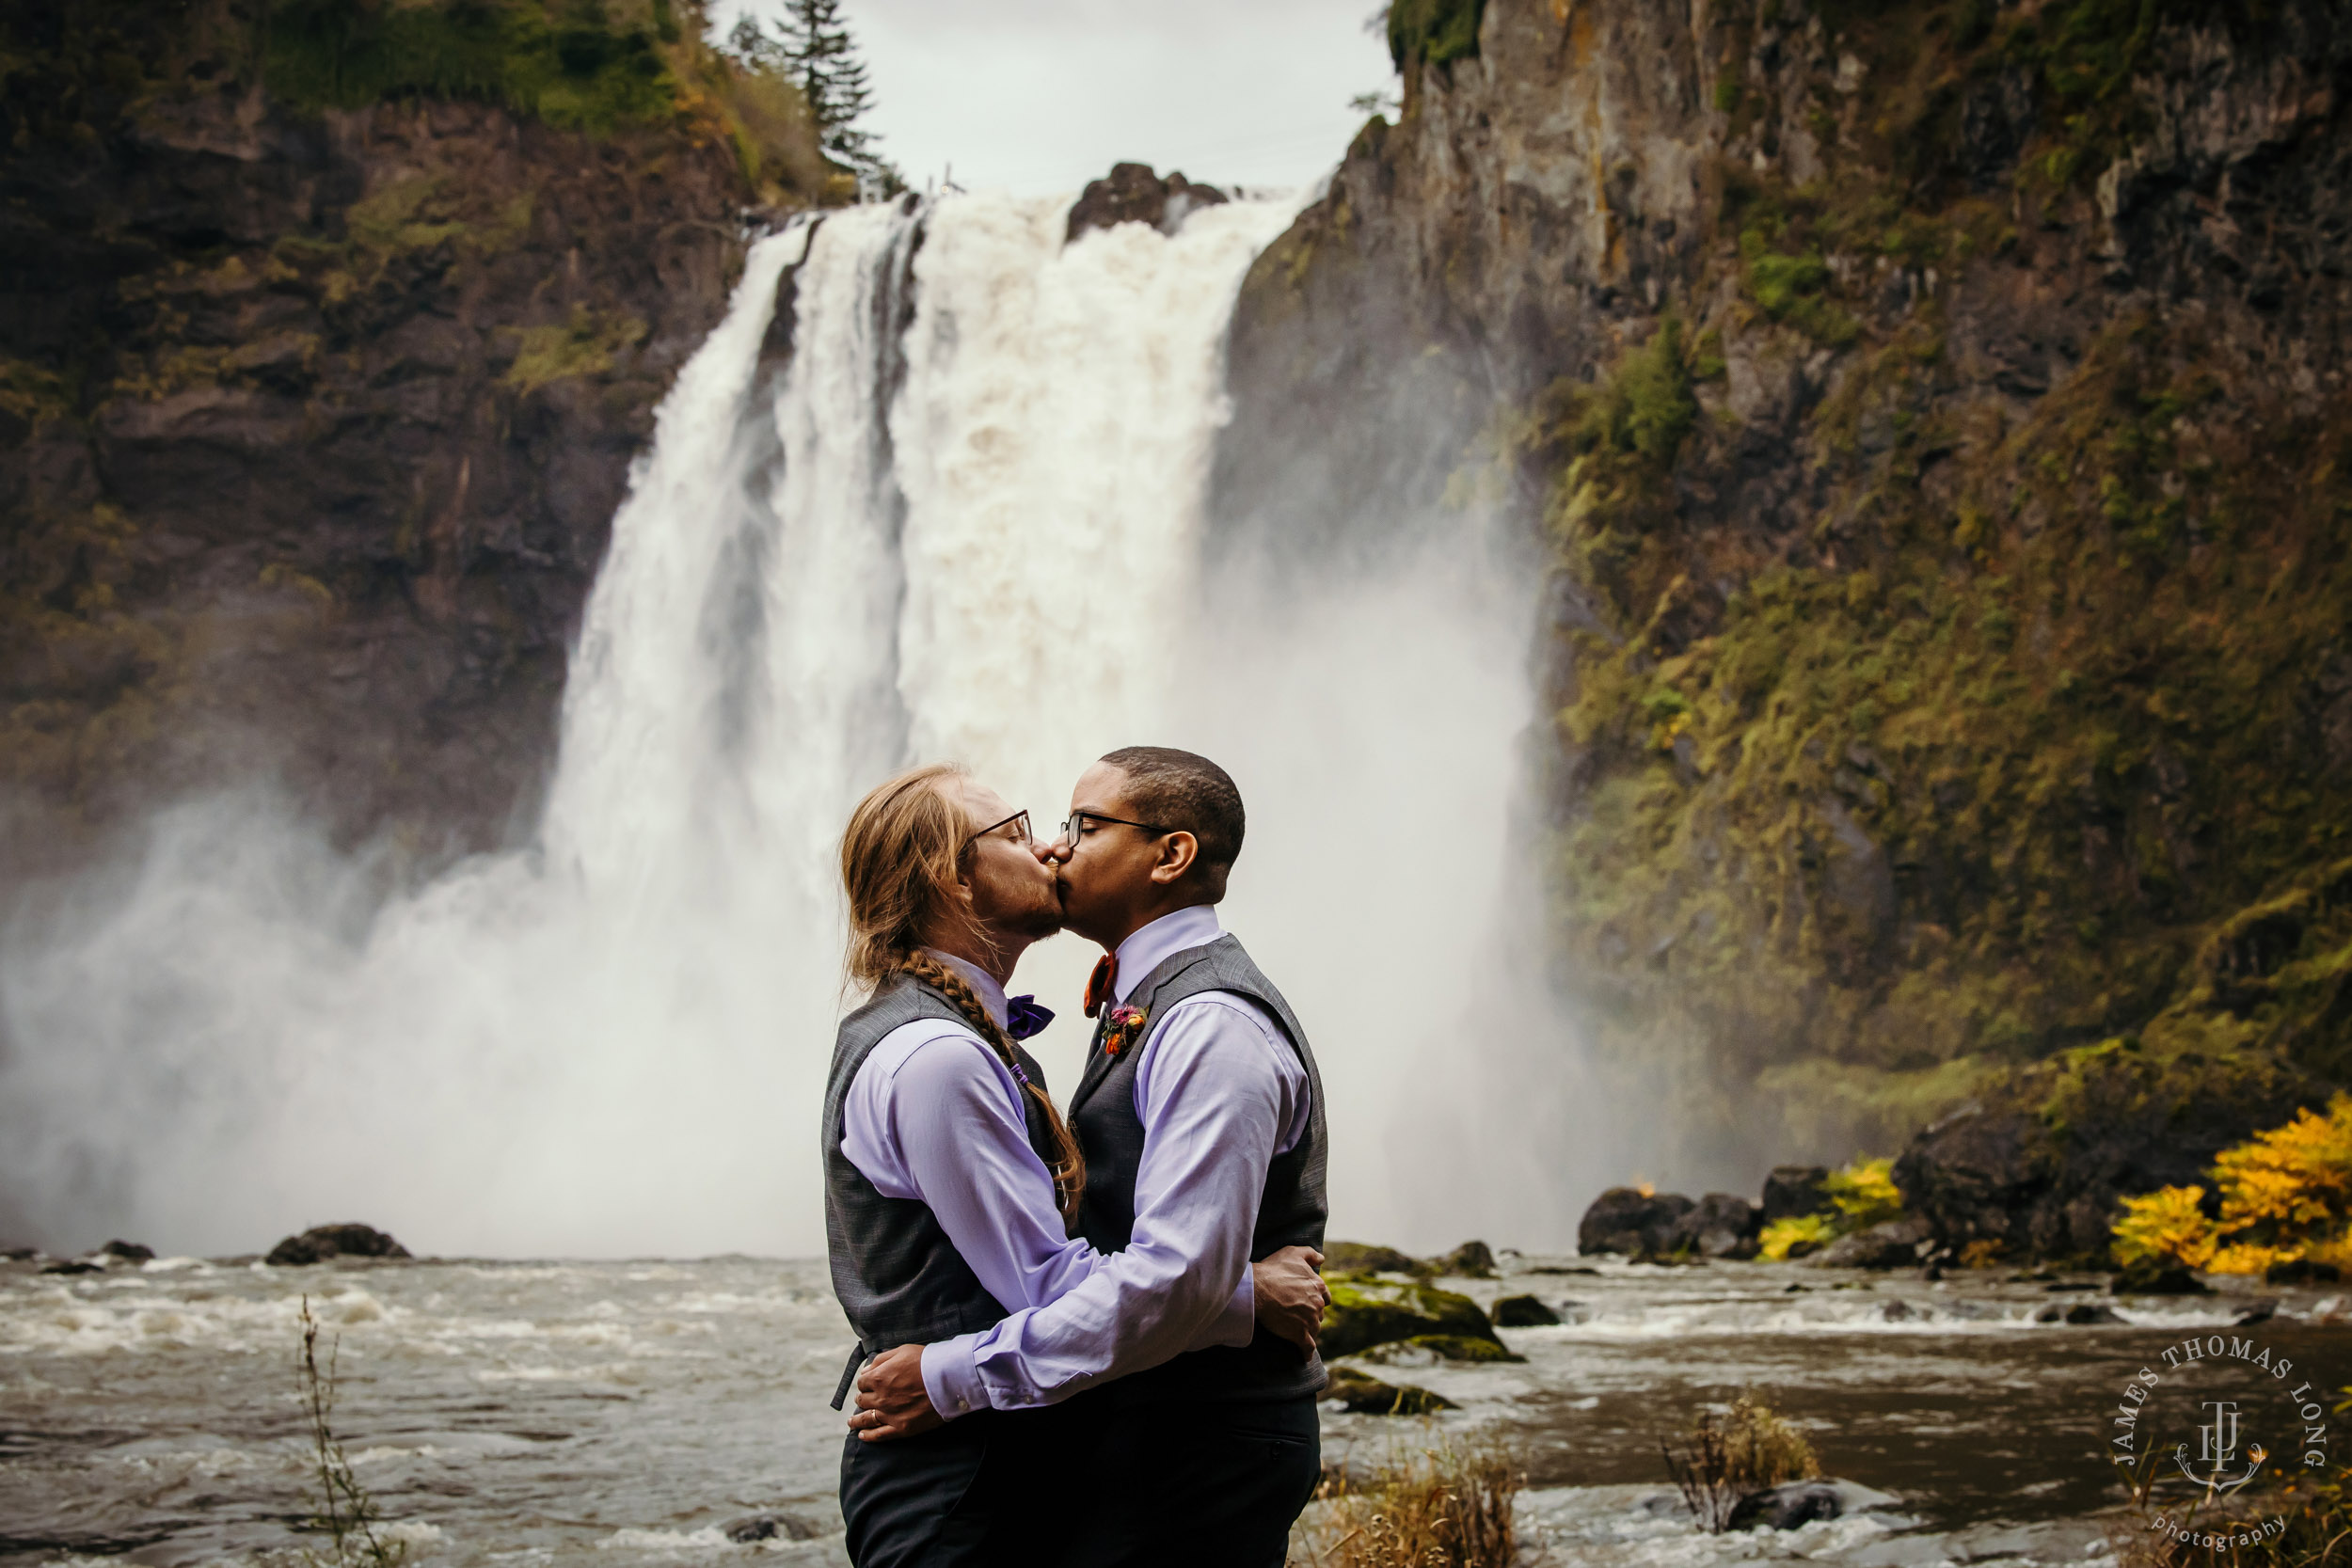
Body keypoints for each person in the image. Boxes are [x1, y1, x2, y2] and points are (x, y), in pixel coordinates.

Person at [823, 762, 1325, 1568]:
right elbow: (1049, 1281)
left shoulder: (1200, 1018)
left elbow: (1148, 1268)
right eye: (1023, 831)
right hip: (958, 1475)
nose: (1054, 847)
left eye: (1080, 827)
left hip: (1147, 1447)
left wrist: (1205, 1283)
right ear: (954, 878)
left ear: (1169, 857)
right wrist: (1247, 1293)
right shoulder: (941, 1054)